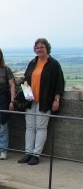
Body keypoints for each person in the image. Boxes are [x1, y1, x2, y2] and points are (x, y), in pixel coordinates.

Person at [18, 38, 65, 166]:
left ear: (47, 49)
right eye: (37, 47)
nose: (39, 49)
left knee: (41, 127)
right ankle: (28, 153)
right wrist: (27, 94)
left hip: (45, 101)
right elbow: (25, 80)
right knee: (29, 127)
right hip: (30, 100)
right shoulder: (33, 62)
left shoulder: (54, 64)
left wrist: (56, 100)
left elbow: (59, 83)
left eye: (41, 47)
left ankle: (36, 155)